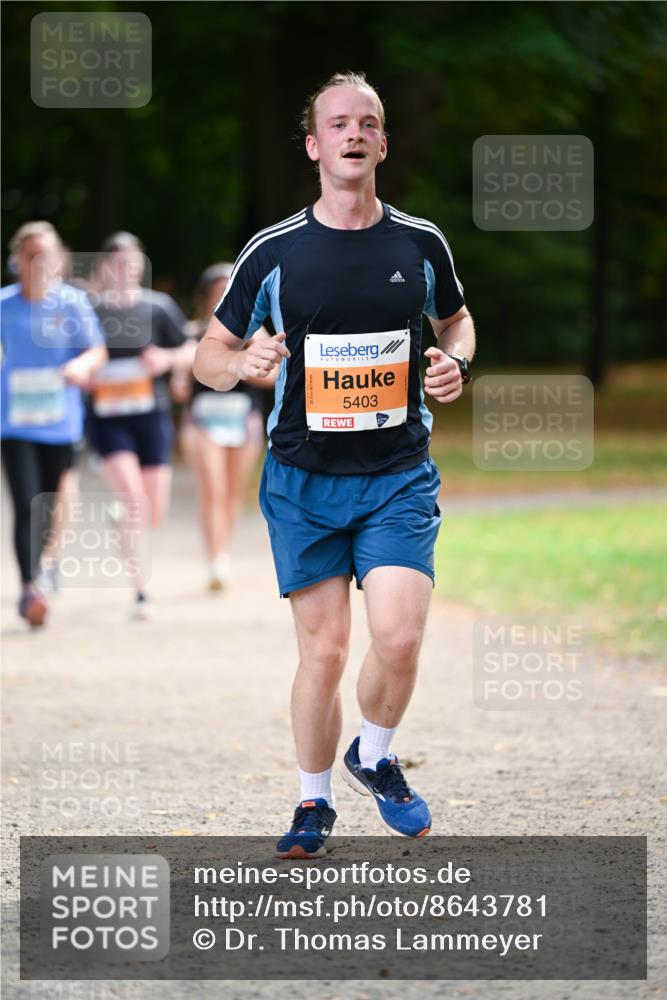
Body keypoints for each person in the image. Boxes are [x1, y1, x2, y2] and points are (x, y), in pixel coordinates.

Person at [194, 72, 475, 858]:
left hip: (396, 474)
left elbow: (457, 321)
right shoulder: (274, 251)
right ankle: (312, 802)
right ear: (315, 145)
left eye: (369, 123)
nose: (354, 133)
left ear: (381, 143)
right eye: (338, 123)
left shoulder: (420, 243)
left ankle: (374, 755)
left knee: (398, 637)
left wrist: (454, 362)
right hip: (302, 482)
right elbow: (204, 358)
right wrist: (242, 359)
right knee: (322, 650)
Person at [1, 221, 107, 626]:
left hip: (60, 421)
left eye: (48, 254)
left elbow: (96, 350)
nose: (40, 263)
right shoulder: (4, 305)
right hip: (14, 423)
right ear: (18, 260)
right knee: (26, 504)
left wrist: (80, 365)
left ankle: (44, 566)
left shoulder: (71, 303)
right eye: (32, 255)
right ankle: (30, 589)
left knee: (47, 504)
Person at [86, 232, 191, 620]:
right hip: (108, 419)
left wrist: (165, 359)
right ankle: (140, 591)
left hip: (151, 416)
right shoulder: (91, 310)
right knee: (133, 498)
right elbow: (73, 353)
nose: (124, 270)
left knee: (153, 511)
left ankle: (123, 519)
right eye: (116, 263)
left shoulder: (157, 307)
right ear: (104, 268)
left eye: (131, 263)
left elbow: (190, 348)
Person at [171, 263, 273, 591]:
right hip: (202, 419)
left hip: (243, 417)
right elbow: (179, 391)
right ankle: (215, 559)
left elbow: (272, 377)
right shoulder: (191, 333)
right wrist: (184, 368)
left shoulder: (255, 332)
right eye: (217, 291)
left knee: (231, 493)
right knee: (212, 490)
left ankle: (223, 552)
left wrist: (240, 360)